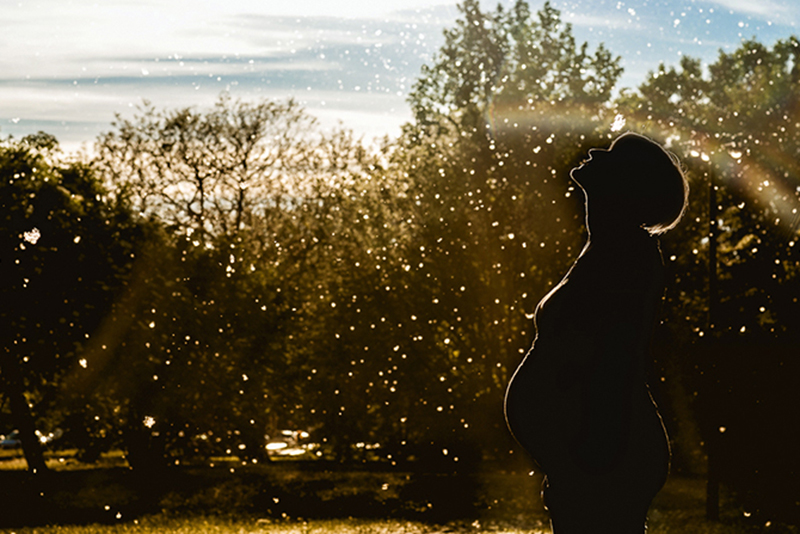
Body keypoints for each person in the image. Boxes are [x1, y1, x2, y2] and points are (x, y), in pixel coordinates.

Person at [504, 132, 689, 534]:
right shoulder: (607, 248)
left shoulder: (627, 257)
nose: (592, 152)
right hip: (591, 452)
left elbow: (618, 357)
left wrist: (595, 450)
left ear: (626, 184)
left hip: (605, 451)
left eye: (612, 154)